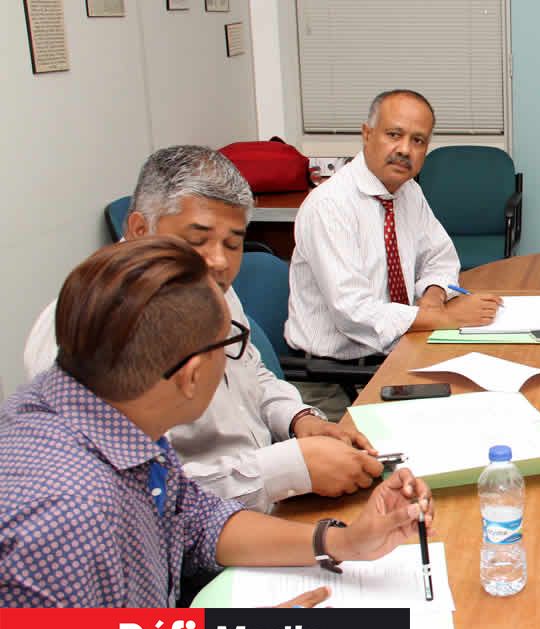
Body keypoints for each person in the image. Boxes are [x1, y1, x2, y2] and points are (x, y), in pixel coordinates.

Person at [0, 238, 435, 629]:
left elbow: (195, 520)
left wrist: (343, 542)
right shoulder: (61, 516)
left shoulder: (102, 408)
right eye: (230, 345)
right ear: (191, 375)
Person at [22, 146, 380, 513]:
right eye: (197, 241)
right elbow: (136, 495)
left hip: (269, 498)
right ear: (140, 229)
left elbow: (251, 370)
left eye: (233, 243)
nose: (219, 261)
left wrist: (296, 419)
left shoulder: (202, 283)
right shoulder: (83, 327)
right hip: (202, 529)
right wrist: (282, 470)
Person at [286, 89, 501, 364]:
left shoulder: (408, 191)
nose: (404, 150)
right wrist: (446, 317)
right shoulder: (329, 206)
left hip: (405, 345)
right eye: (394, 135)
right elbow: (353, 312)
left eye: (418, 140)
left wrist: (433, 297)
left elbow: (440, 258)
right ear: (367, 134)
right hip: (339, 370)